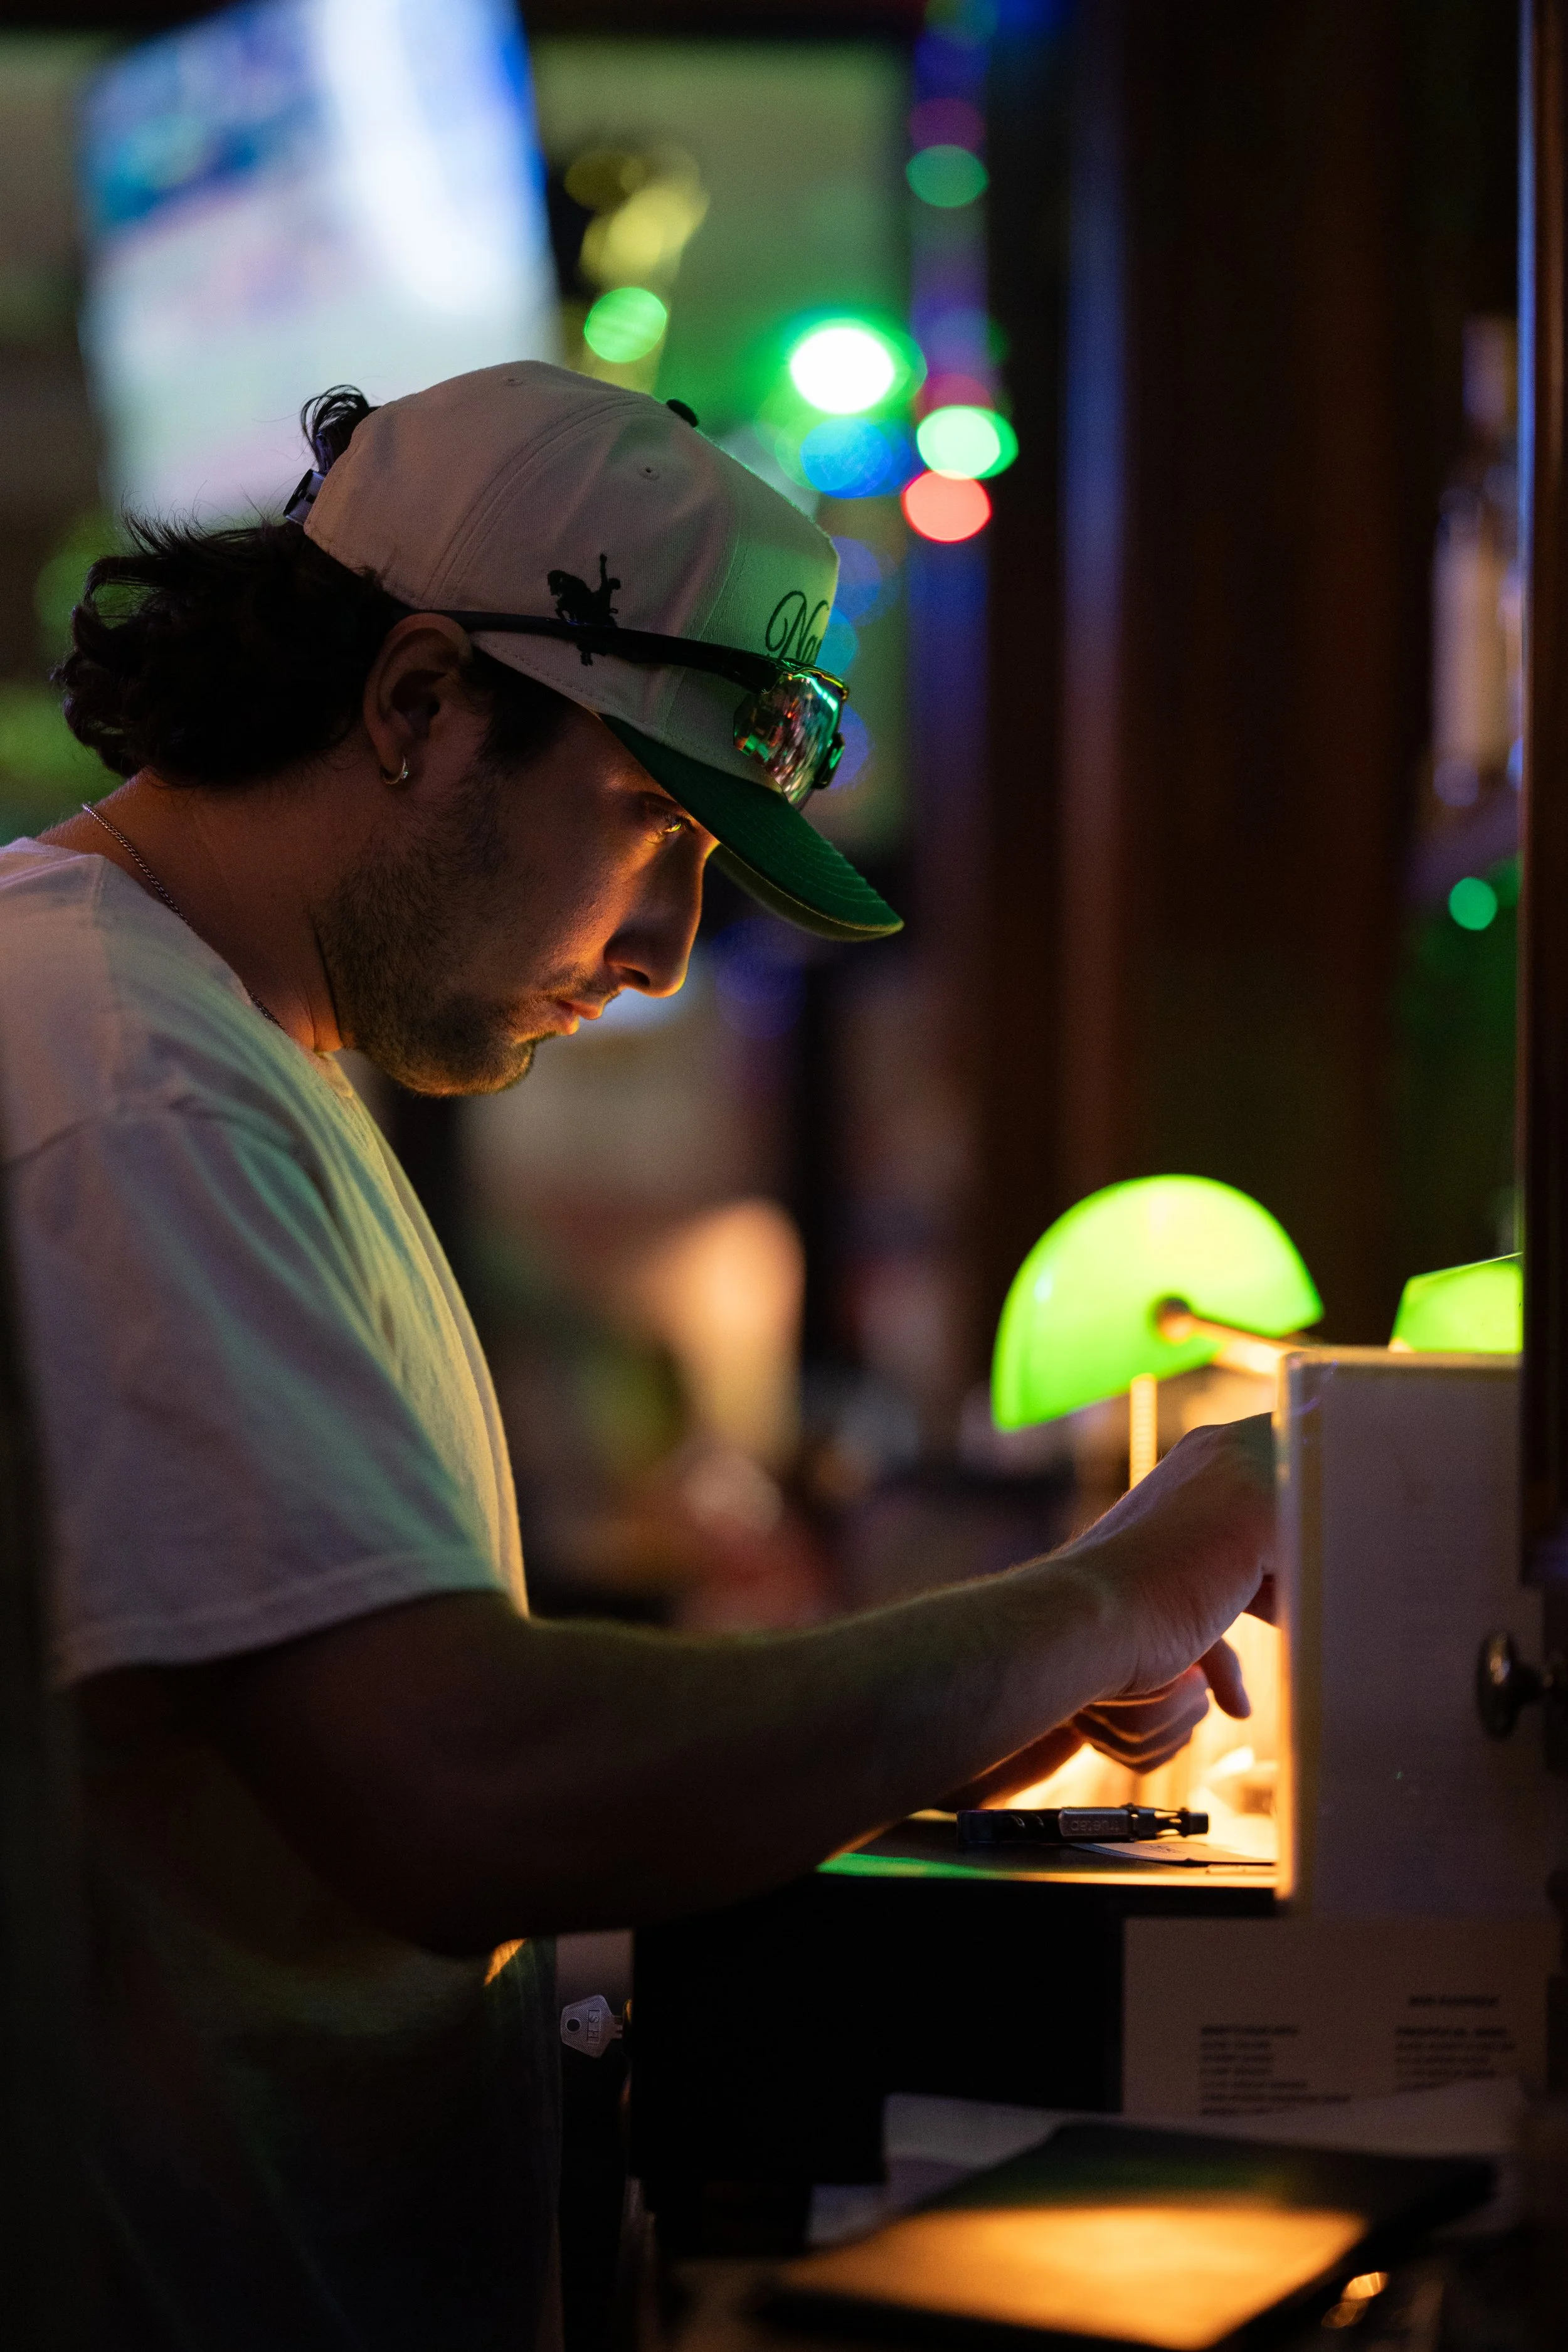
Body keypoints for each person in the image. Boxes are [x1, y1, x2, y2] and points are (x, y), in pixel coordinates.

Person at [3, 364, 1272, 2351]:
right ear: (417, 700)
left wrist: (962, 1701)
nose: (667, 948)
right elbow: (464, 1792)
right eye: (655, 824)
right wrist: (1124, 1584)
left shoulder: (219, 1037)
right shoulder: (125, 1077)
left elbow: (336, 1820)